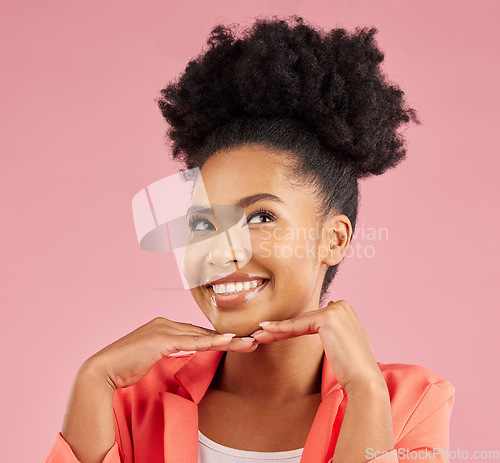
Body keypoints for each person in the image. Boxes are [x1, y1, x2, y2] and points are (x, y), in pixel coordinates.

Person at [45, 15, 455, 463]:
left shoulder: (408, 402)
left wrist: (365, 397)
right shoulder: (127, 397)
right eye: (203, 224)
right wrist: (92, 380)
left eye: (260, 216)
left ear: (333, 239)